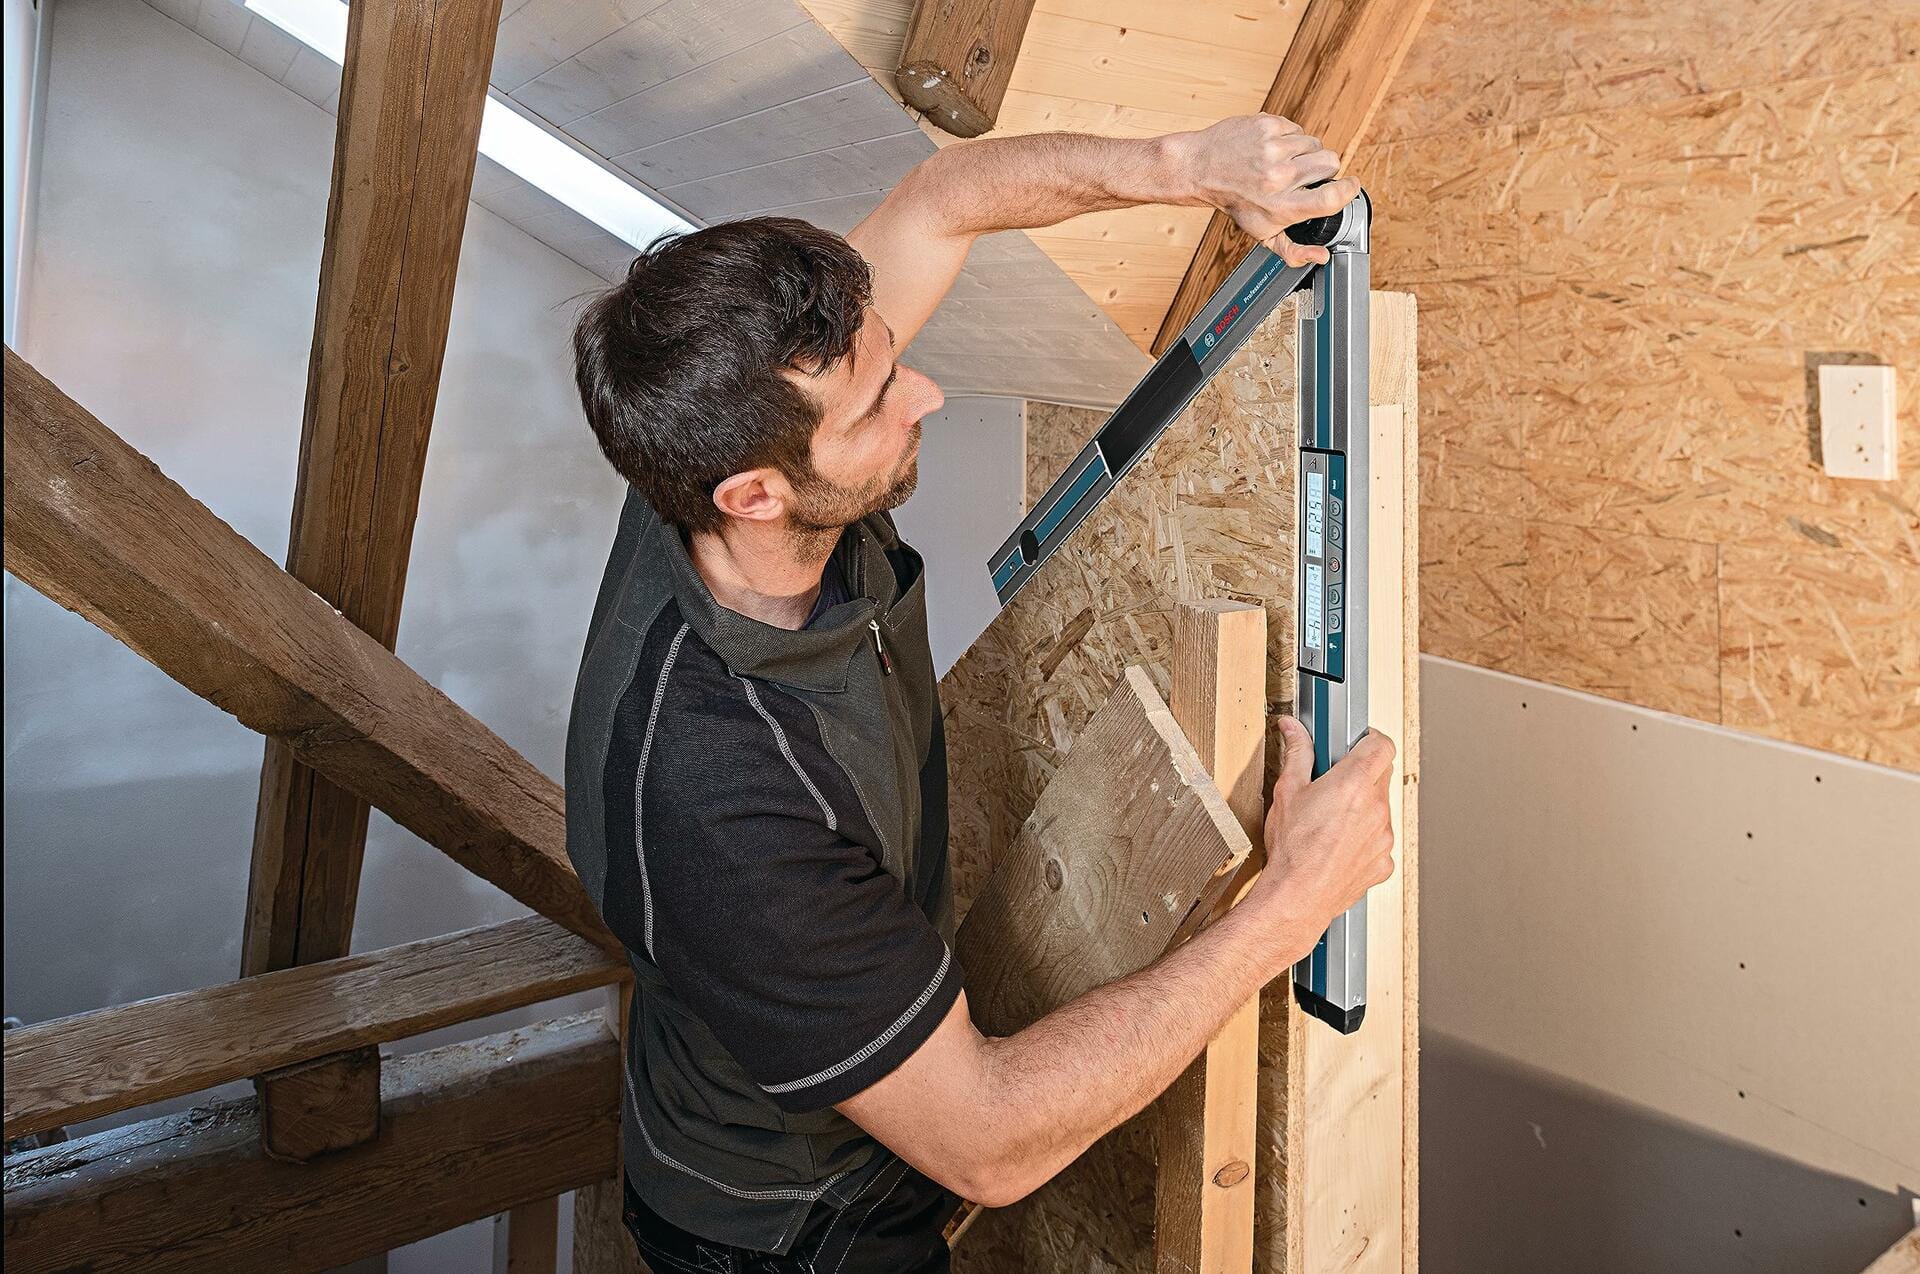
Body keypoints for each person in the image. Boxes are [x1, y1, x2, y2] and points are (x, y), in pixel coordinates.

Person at [564, 113, 1396, 1274]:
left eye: (891, 354)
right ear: (753, 494)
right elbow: (991, 1143)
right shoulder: (723, 802)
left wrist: (1186, 169)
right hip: (791, 1227)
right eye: (876, 406)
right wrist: (1293, 903)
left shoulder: (698, 454)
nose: (926, 394)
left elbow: (942, 198)